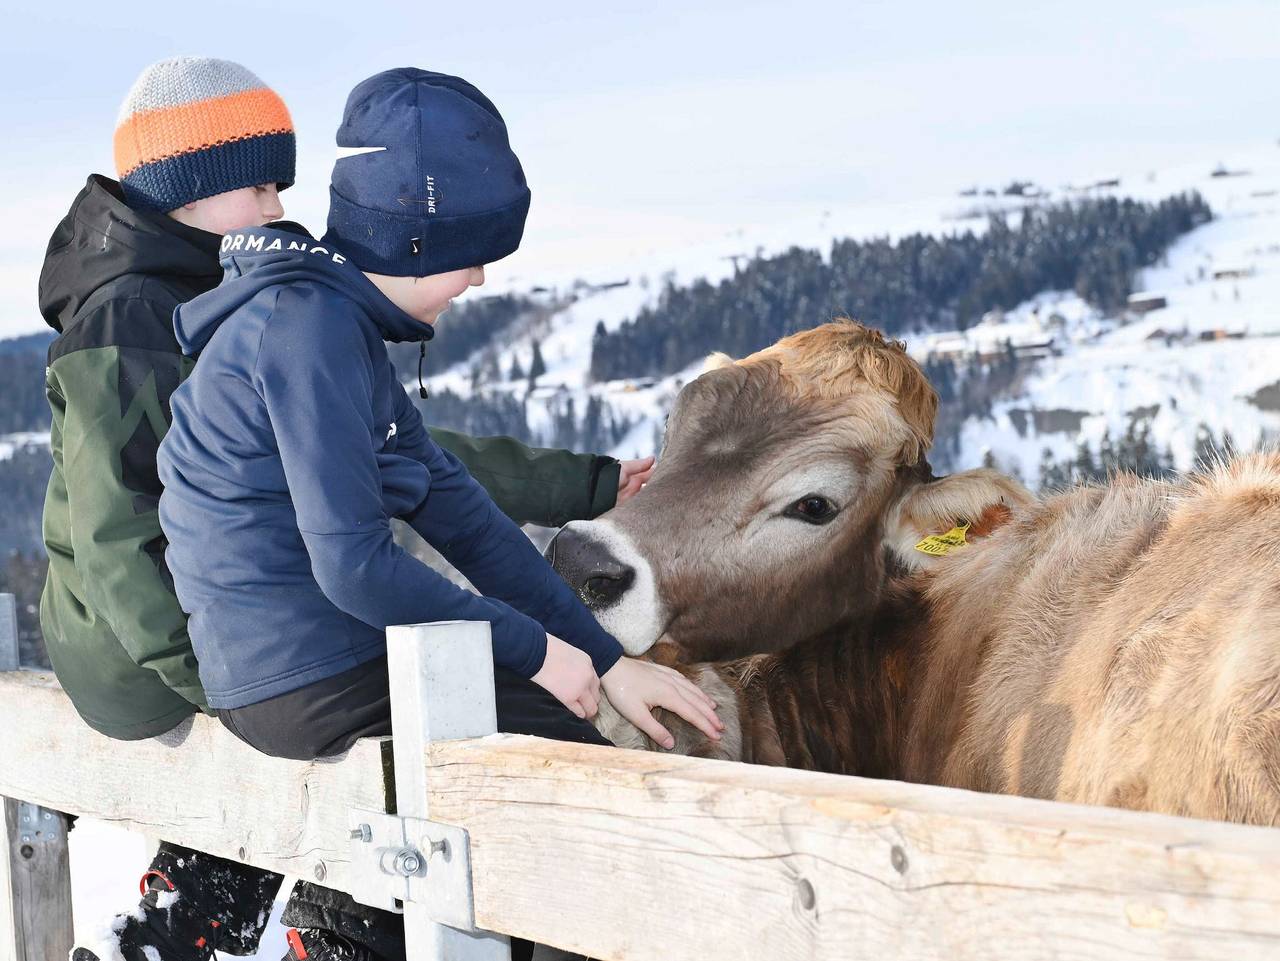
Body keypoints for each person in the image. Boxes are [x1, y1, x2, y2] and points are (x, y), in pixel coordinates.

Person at [38, 58, 652, 961]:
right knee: (390, 717)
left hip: (225, 622)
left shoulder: (266, 300)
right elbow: (115, 528)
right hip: (139, 642)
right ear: (191, 193)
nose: (281, 206)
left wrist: (578, 486)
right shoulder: (147, 311)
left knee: (373, 697)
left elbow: (417, 465)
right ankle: (297, 923)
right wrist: (209, 672)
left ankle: (267, 920)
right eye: (258, 185)